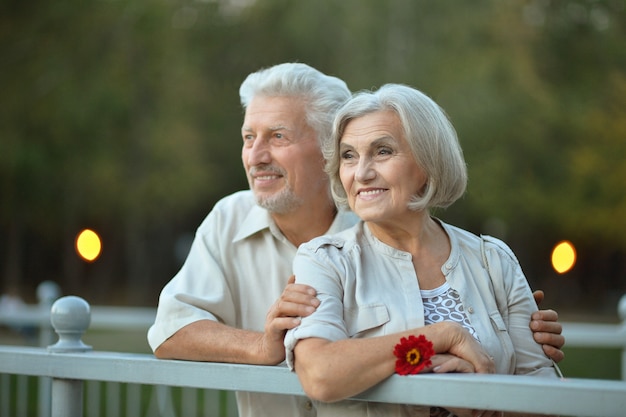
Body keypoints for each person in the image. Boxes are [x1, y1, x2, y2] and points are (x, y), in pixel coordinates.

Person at [147, 64, 564, 417]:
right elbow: (171, 331)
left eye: (277, 136)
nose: (255, 156)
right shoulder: (310, 250)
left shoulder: (483, 256)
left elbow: (541, 390)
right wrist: (262, 345)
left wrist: (503, 353)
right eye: (247, 137)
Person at [285, 84, 559, 417]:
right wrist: (437, 338)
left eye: (383, 151)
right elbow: (320, 375)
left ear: (428, 163)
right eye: (348, 155)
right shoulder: (325, 260)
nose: (362, 173)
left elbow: (545, 395)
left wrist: (480, 405)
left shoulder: (493, 260)